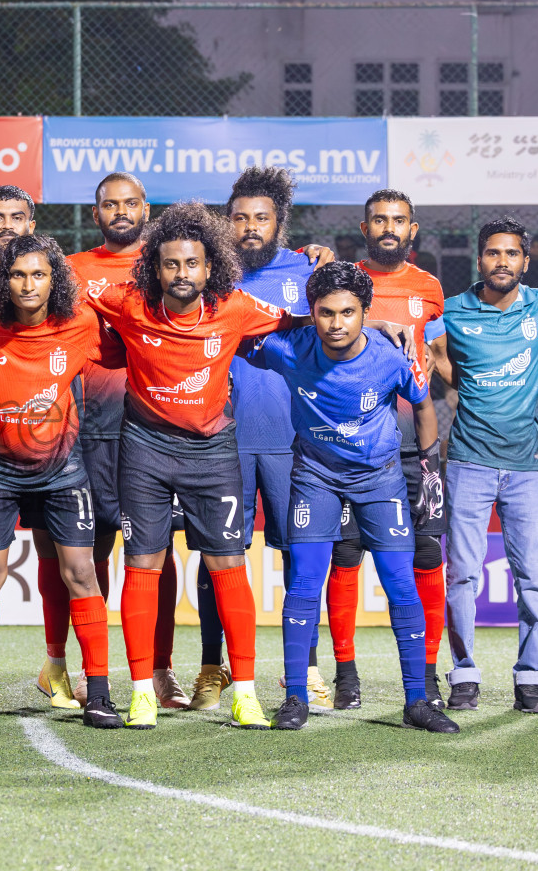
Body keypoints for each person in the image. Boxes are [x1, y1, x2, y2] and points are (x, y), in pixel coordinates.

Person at [86, 203, 296, 730]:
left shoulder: (235, 307)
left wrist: (380, 321)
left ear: (210, 267)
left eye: (192, 264)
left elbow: (302, 320)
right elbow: (64, 296)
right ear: (154, 269)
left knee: (228, 566)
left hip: (212, 453)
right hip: (145, 450)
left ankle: (244, 692)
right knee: (143, 566)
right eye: (171, 264)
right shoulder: (129, 304)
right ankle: (141, 693)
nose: (183, 273)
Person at [245, 261, 458, 734]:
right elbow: (238, 332)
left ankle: (417, 701)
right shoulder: (289, 348)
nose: (336, 323)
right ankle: (295, 699)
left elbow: (423, 407)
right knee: (303, 585)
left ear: (365, 313)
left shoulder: (392, 355)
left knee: (402, 584)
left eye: (348, 312)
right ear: (312, 313)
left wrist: (429, 471)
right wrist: (294, 319)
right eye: (325, 313)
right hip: (316, 477)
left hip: (380, 479)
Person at [0, 234, 124, 729]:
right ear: (2, 280)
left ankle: (99, 692)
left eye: (39, 274)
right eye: (17, 274)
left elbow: (128, 352)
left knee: (82, 573)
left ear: (55, 280)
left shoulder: (79, 323)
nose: (28, 284)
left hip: (63, 470)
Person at [426, 217, 538, 714]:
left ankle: (531, 677)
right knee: (462, 574)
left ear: (526, 261)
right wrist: (447, 376)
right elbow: (435, 354)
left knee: (532, 577)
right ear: (479, 259)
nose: (501, 261)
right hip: (467, 462)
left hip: (526, 465)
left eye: (511, 254)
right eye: (492, 253)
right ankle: (464, 673)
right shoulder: (455, 310)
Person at [331, 189, 449, 710]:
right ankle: (346, 673)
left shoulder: (429, 288)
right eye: (379, 219)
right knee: (345, 556)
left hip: (412, 450)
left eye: (398, 220)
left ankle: (427, 675)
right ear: (364, 228)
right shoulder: (344, 281)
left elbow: (442, 359)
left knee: (426, 556)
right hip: (348, 446)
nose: (388, 228)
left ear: (412, 230)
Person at [220, 168, 329, 711]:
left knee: (300, 561)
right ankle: (212, 671)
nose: (250, 227)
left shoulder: (308, 269)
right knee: (222, 557)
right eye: (239, 218)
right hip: (223, 441)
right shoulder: (211, 272)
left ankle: (303, 673)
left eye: (261, 218)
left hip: (294, 443)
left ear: (279, 223)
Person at [64, 173, 173, 709]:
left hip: (153, 428)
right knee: (89, 552)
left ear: (146, 209)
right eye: (111, 205)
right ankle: (94, 670)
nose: (121, 212)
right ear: (96, 213)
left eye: (131, 203)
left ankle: (160, 667)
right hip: (87, 429)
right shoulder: (73, 270)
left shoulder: (168, 264)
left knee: (154, 554)